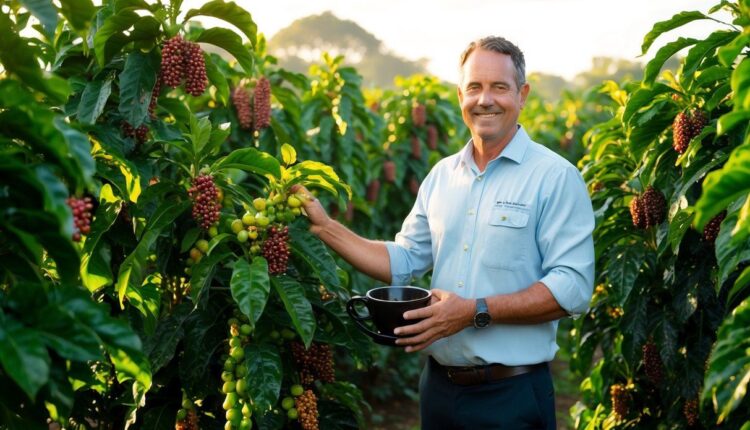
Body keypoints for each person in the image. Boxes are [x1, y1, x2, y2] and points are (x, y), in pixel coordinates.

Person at [294, 36, 594, 429]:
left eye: (499, 87)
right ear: (460, 96)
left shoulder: (554, 177)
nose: (485, 99)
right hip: (438, 390)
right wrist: (325, 227)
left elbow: (571, 288)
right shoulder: (441, 176)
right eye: (474, 87)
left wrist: (473, 311)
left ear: (522, 95)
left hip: (511, 395)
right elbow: (402, 261)